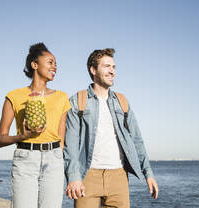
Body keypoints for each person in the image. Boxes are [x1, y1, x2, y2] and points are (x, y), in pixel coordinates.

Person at [64, 48, 158, 207]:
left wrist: (148, 173)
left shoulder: (122, 101)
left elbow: (137, 140)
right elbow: (70, 144)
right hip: (87, 176)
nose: (112, 71)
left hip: (119, 177)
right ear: (93, 70)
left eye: (113, 67)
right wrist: (73, 177)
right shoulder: (77, 101)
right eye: (107, 66)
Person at [0, 43, 70, 208]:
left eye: (56, 64)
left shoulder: (62, 98)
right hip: (25, 157)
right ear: (34, 64)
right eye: (50, 62)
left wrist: (58, 154)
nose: (55, 67)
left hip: (54, 159)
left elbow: (61, 138)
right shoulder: (14, 96)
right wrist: (23, 136)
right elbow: (1, 139)